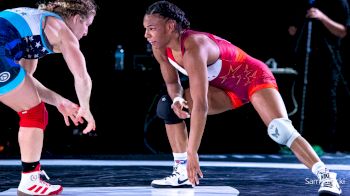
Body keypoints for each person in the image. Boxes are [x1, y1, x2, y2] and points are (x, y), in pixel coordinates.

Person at [143, 1, 342, 195]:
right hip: (224, 89)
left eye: (151, 28)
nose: (146, 35)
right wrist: (178, 99)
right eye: (145, 29)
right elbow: (172, 84)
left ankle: (327, 176)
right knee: (168, 106)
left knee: (281, 130)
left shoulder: (194, 46)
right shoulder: (159, 48)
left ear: (170, 26)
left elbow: (201, 105)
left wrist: (192, 152)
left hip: (254, 79)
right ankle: (181, 174)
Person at [0, 0, 97, 195]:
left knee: (33, 108)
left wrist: (60, 101)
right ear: (77, 18)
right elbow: (81, 76)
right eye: (87, 25)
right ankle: (30, 180)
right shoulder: (60, 29)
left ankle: (32, 174)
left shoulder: (32, 28)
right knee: (34, 114)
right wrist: (85, 107)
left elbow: (23, 81)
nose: (86, 32)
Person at [287, 0, 350, 152]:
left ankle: (324, 143)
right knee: (300, 99)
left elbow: (343, 31)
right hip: (304, 59)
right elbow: (293, 30)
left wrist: (322, 17)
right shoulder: (305, 3)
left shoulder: (339, 3)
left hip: (329, 59)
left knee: (325, 101)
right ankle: (297, 142)